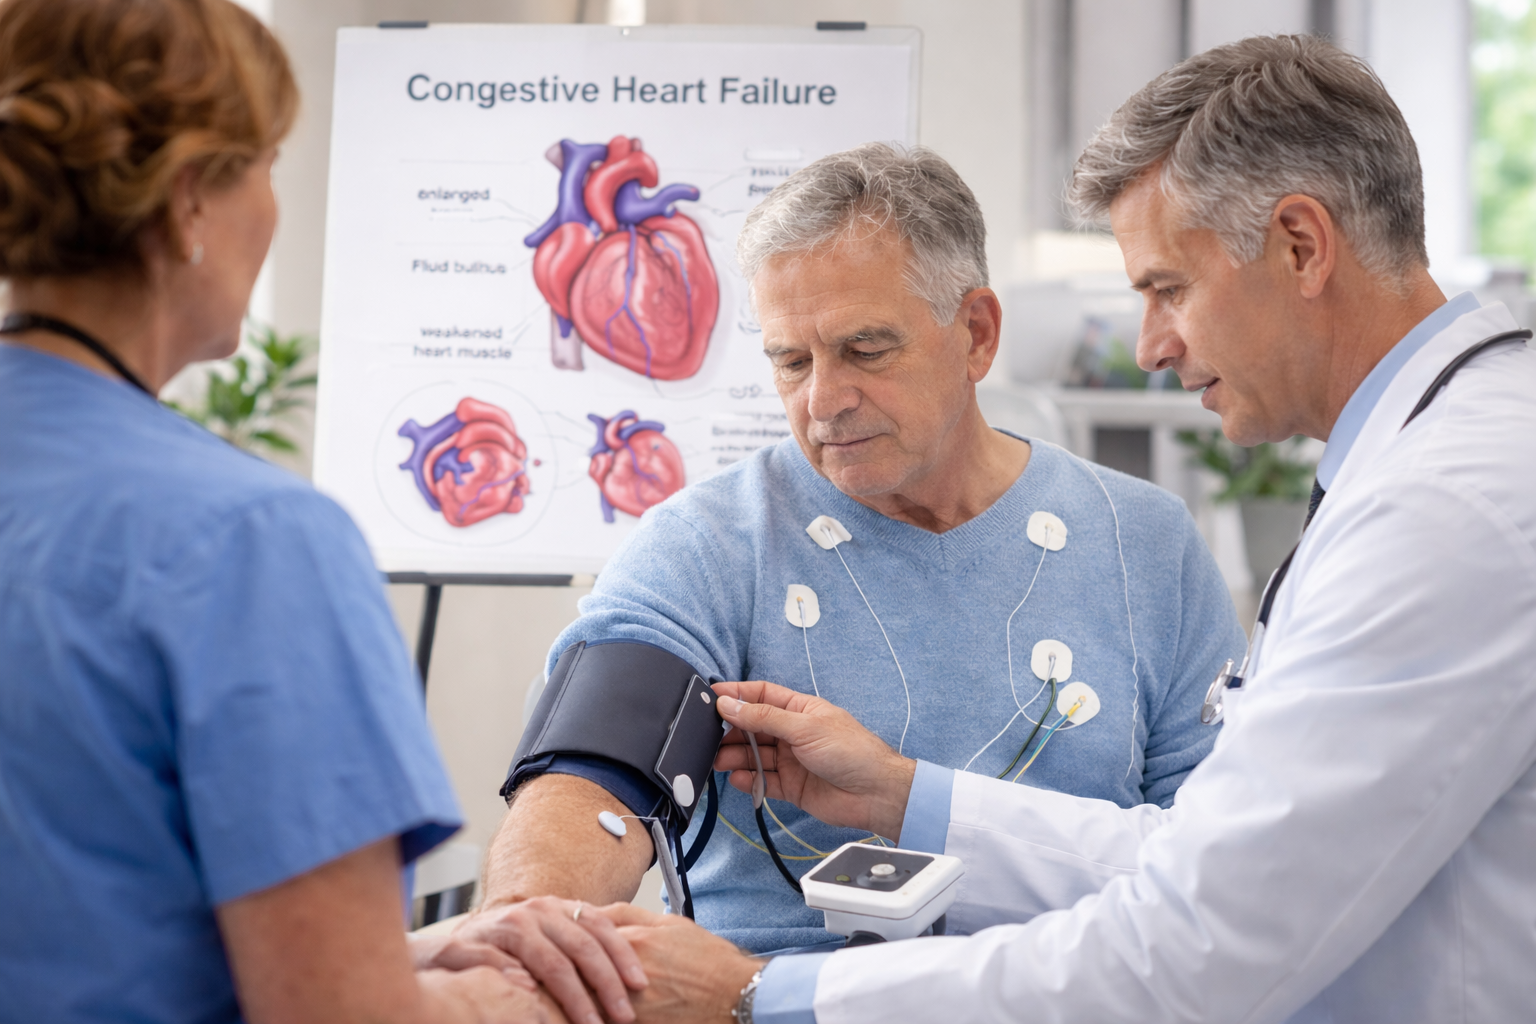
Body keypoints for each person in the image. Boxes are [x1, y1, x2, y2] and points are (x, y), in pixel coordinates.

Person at [603, 34, 1536, 1024]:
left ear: (1301, 245)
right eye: (791, 360)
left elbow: (1194, 942)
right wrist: (901, 794)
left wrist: (761, 993)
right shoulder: (1443, 462)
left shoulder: (1438, 512)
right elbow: (1204, 864)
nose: (1149, 345)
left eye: (1167, 287)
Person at [0, 2, 643, 1022]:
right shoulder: (244, 542)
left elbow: (96, 917)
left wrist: (414, 951)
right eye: (265, 163)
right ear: (185, 205)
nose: (274, 203)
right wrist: (518, 997)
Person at [464, 142, 1246, 955]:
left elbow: (1223, 861)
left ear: (976, 334)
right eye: (791, 362)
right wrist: (522, 937)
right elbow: (592, 773)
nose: (824, 401)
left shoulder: (1145, 545)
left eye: (866, 351)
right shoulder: (709, 544)